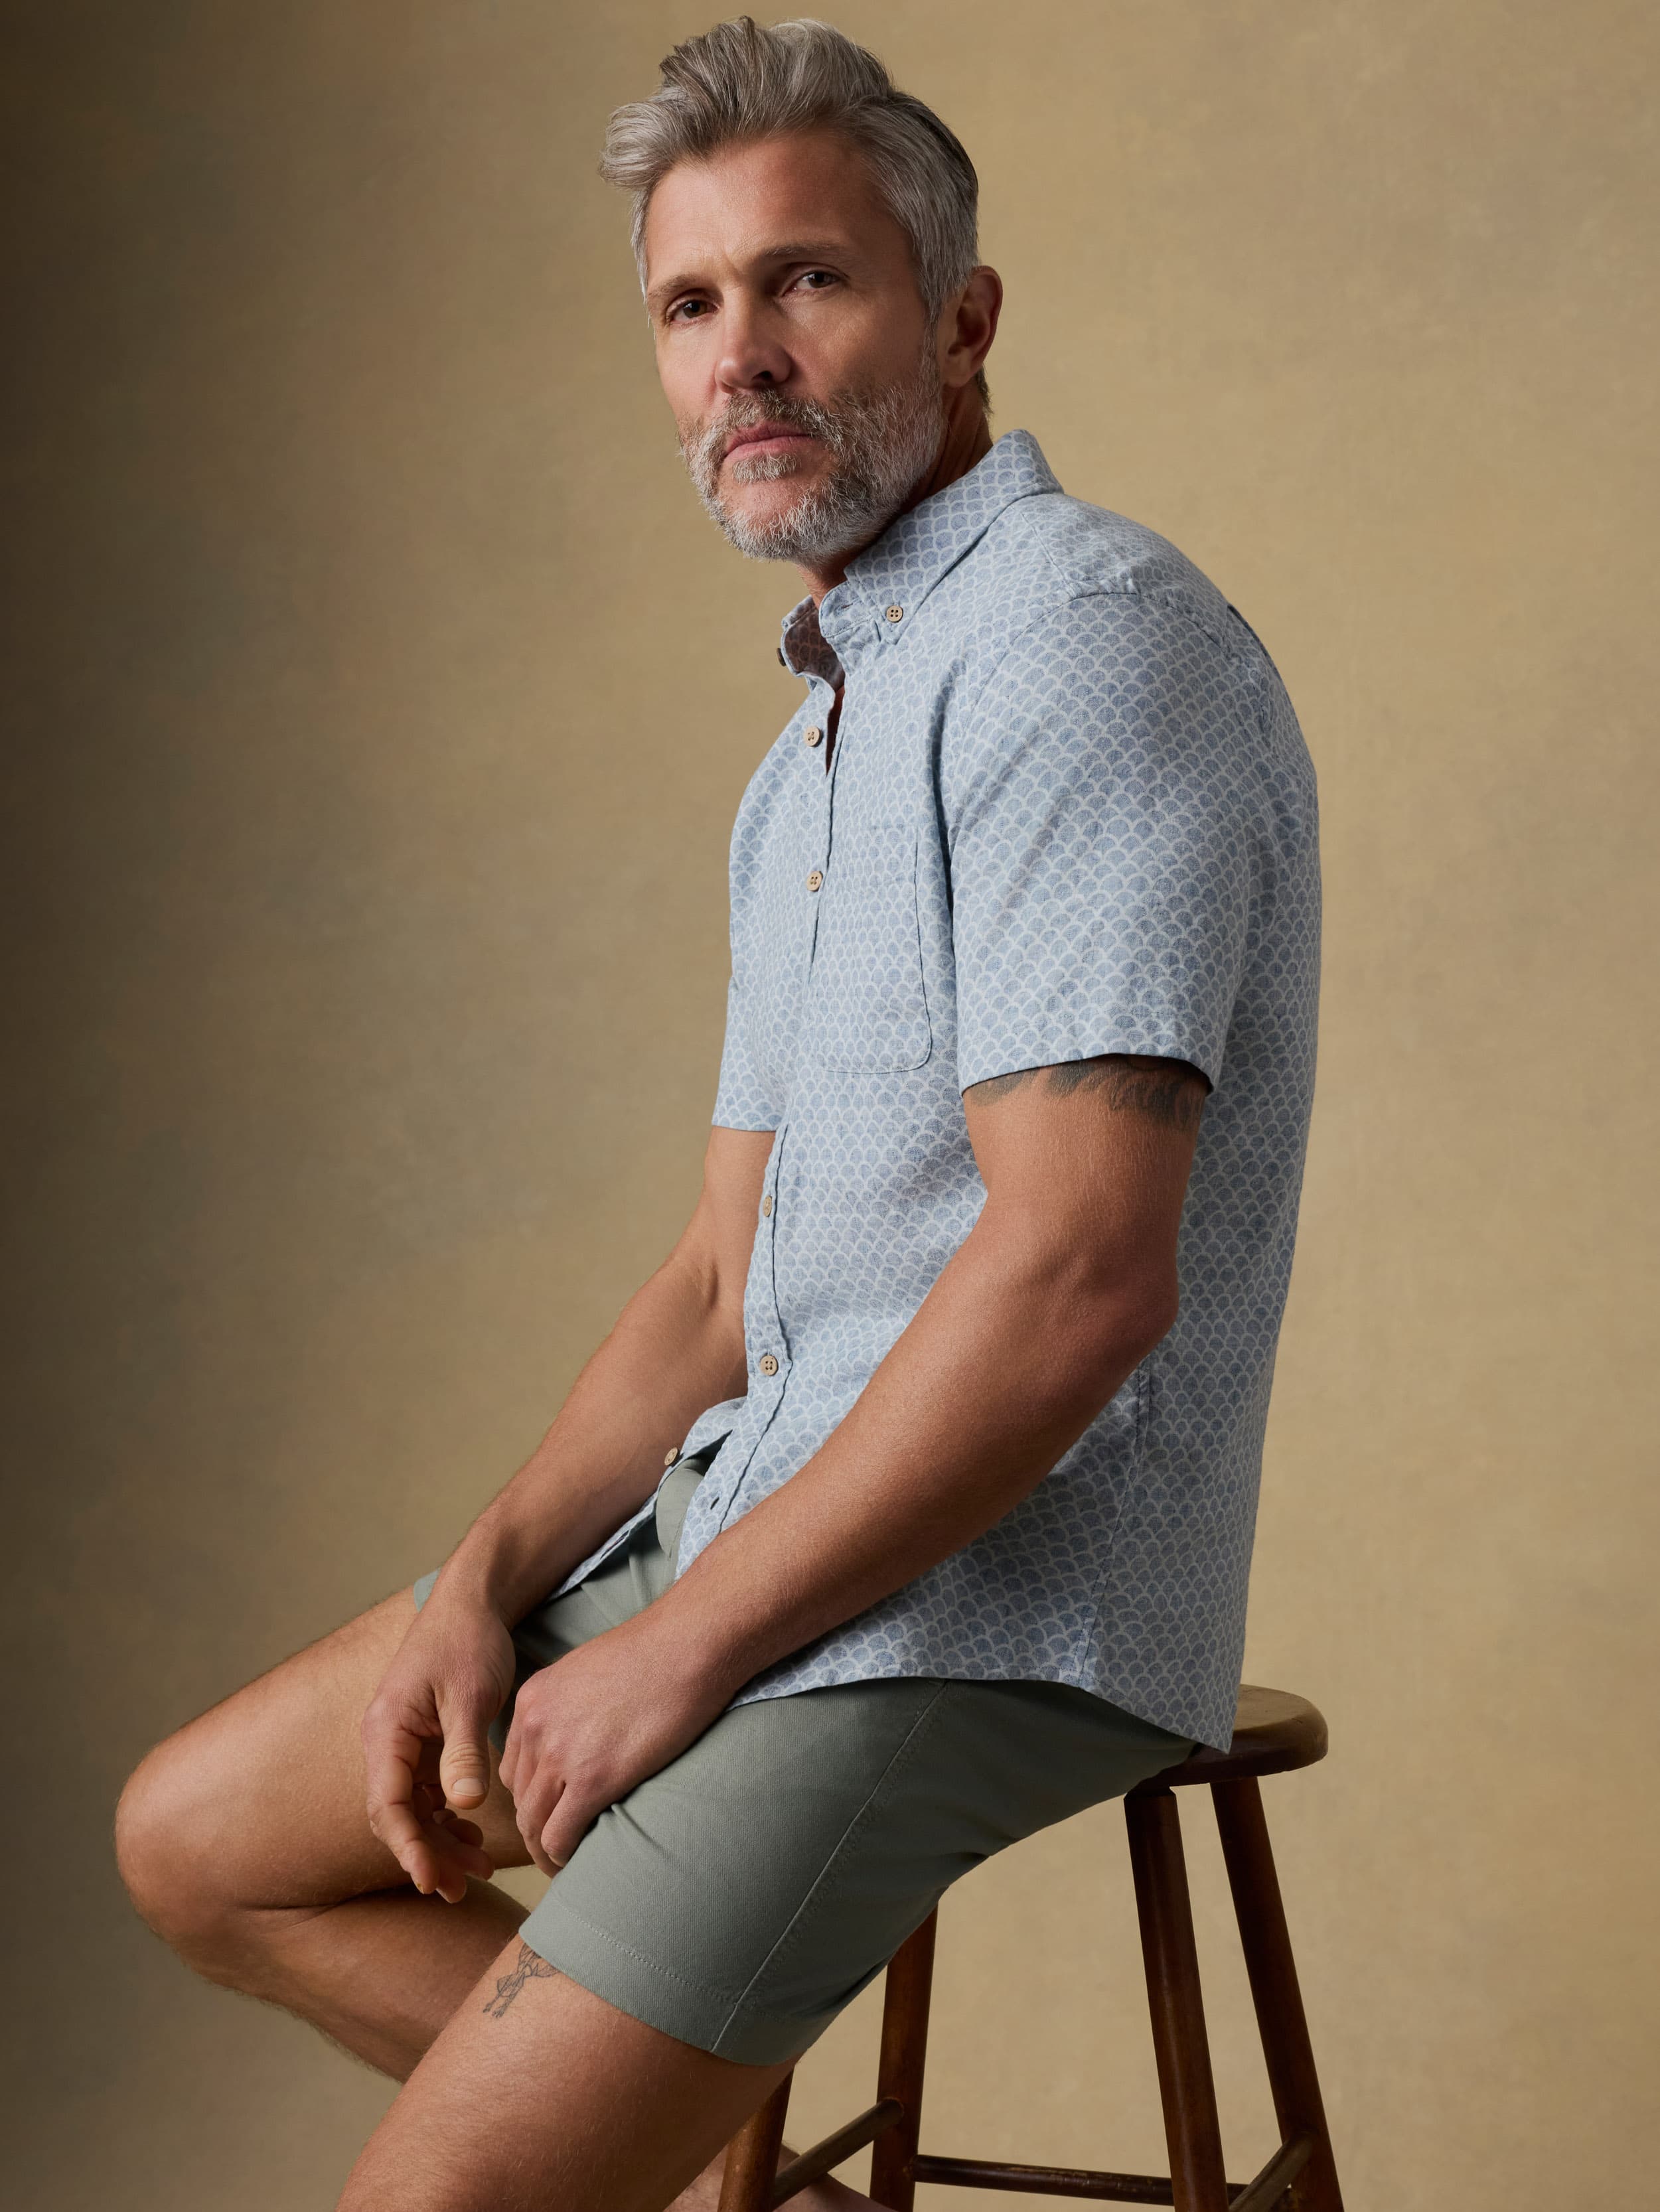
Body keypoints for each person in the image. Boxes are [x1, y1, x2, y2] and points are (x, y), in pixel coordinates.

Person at [113, 19, 1320, 2212]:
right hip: (755, 1523)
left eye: (808, 283)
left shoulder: (1082, 644)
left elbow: (1073, 1283)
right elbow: (715, 1286)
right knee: (197, 1841)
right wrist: (488, 1581)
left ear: (959, 324)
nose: (742, 355)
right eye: (690, 306)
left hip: (986, 1597)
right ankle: (708, 2154)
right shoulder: (820, 753)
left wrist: (678, 1653)